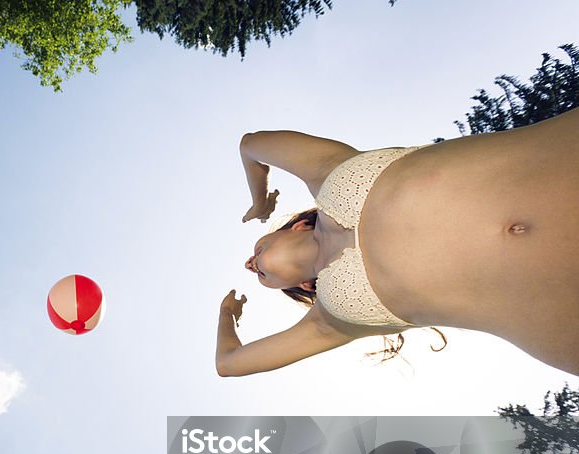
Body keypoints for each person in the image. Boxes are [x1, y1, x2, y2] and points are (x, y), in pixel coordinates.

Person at [216, 107, 579, 377]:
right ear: (304, 285)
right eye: (260, 276)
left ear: (294, 227)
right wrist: (227, 314)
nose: (250, 265)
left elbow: (250, 146)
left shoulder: (326, 172)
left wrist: (260, 202)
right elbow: (229, 364)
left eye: (253, 255)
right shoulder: (329, 322)